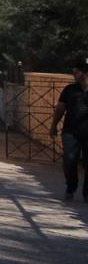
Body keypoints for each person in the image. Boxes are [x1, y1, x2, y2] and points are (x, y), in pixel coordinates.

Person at [51, 57, 88, 201]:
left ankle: (87, 192)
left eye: (76, 72)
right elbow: (60, 109)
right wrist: (53, 125)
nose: (74, 75)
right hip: (70, 131)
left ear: (85, 73)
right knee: (69, 159)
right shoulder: (70, 90)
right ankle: (71, 187)